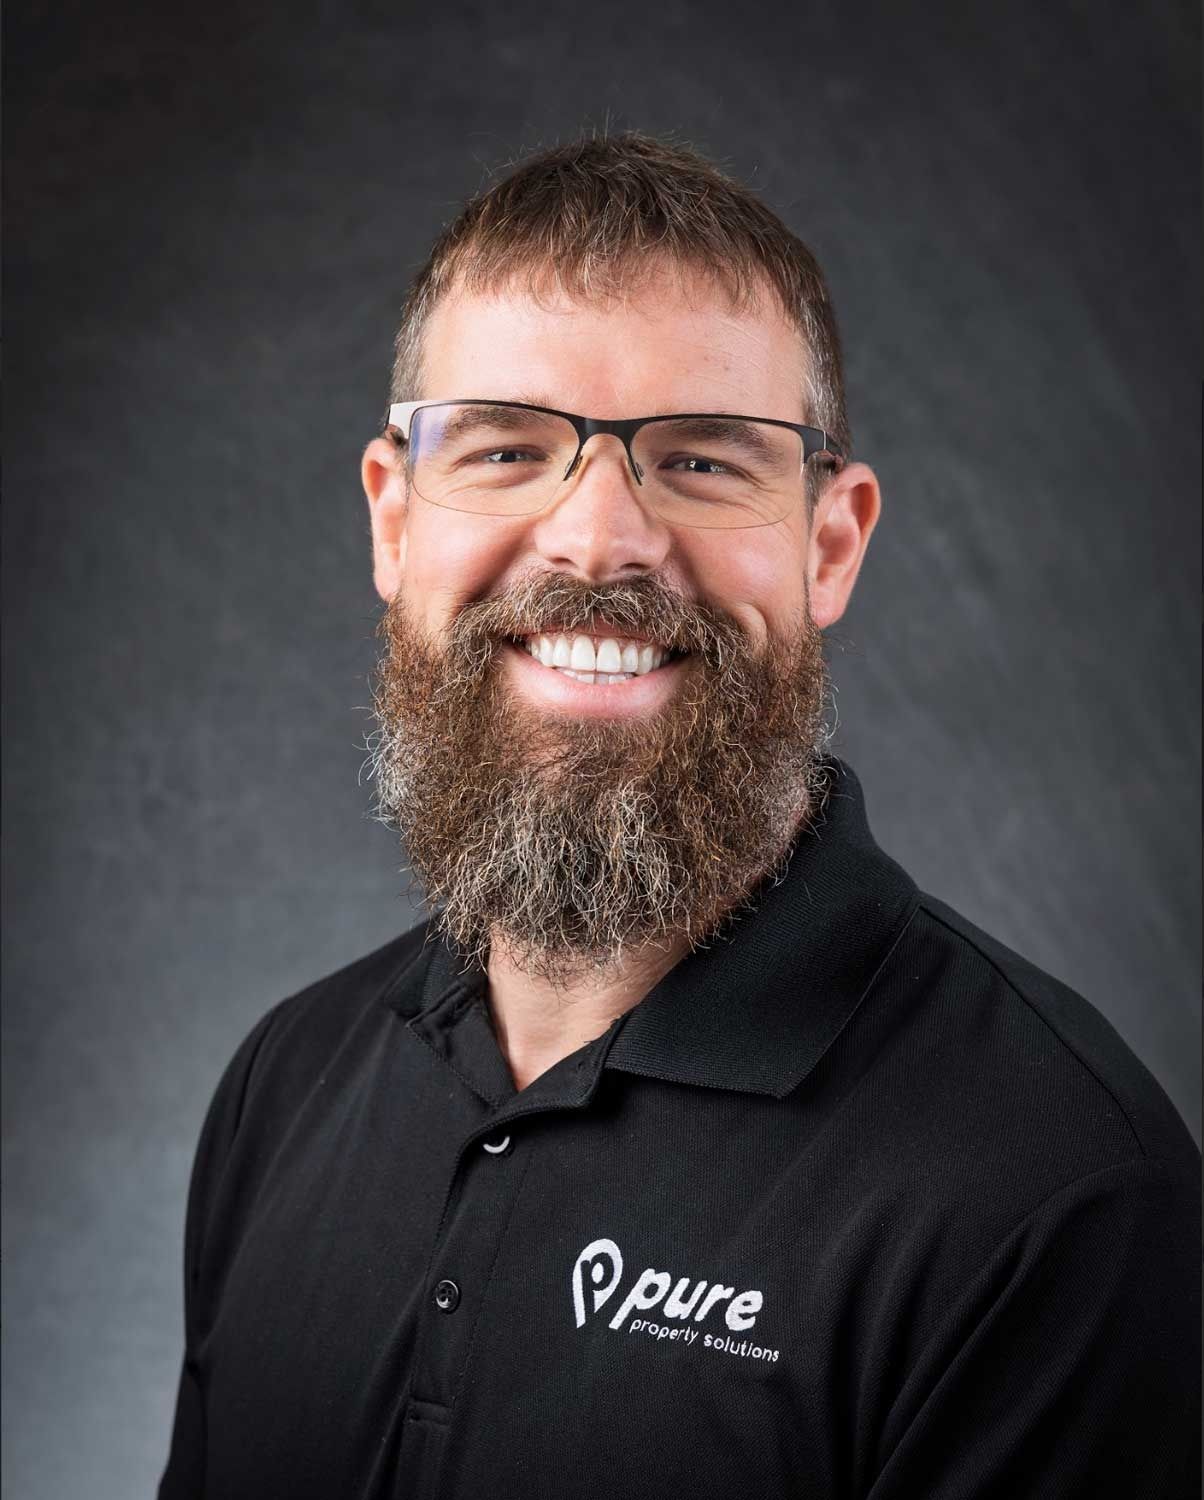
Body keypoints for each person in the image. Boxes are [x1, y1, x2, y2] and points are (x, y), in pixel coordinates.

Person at [158, 132, 1200, 1500]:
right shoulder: (286, 1086)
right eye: (509, 448)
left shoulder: (1058, 1195)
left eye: (703, 462)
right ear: (393, 522)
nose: (598, 540)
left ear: (830, 541)